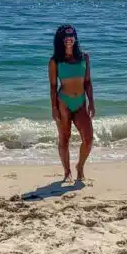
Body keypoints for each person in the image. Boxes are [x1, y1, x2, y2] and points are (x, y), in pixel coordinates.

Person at [48, 24, 95, 182]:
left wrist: (91, 103)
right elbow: (53, 86)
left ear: (75, 38)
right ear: (61, 40)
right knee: (64, 138)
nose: (69, 38)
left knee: (88, 139)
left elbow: (87, 82)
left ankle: (80, 166)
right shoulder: (55, 61)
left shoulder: (84, 57)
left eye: (71, 35)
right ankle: (67, 171)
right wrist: (54, 107)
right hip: (64, 103)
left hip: (81, 102)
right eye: (65, 36)